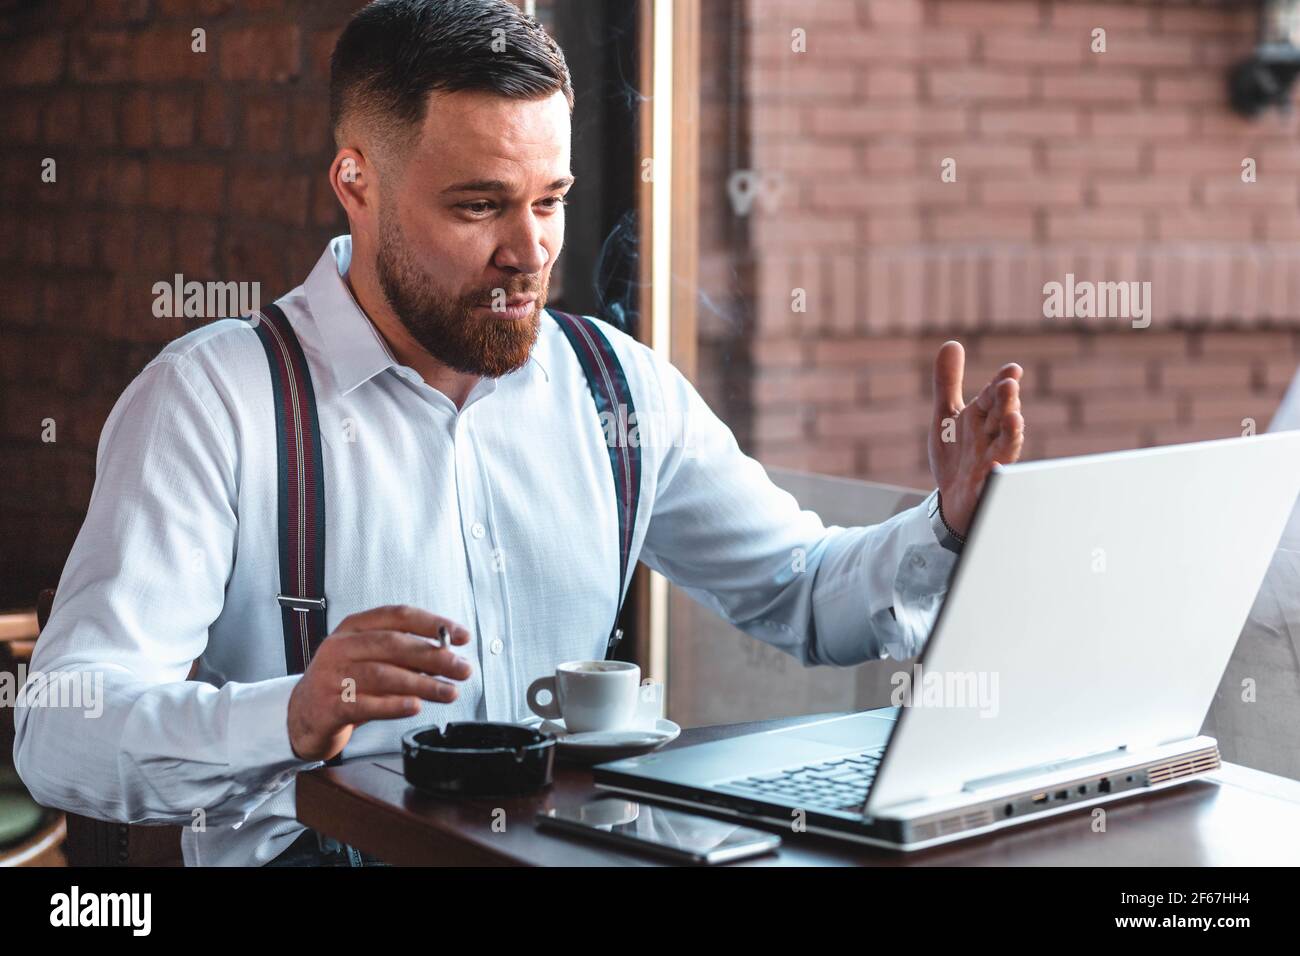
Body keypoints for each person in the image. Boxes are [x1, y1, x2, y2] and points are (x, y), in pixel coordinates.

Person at [13, 0, 1025, 866]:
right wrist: (287, 711)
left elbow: (802, 589)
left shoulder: (613, 387)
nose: (530, 248)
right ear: (355, 182)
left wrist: (943, 522)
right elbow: (60, 729)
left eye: (551, 201)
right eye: (479, 205)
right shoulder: (214, 400)